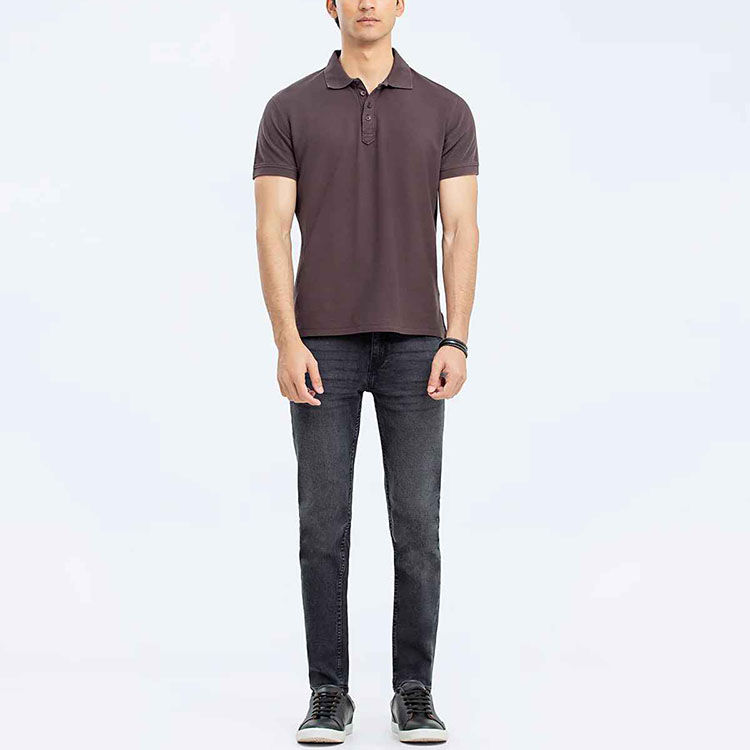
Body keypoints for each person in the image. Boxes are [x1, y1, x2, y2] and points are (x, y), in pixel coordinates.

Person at [252, 0, 479, 743]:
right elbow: (271, 229)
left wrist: (457, 339)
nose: (369, 3)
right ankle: (329, 692)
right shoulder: (288, 109)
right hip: (322, 345)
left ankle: (414, 690)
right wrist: (287, 340)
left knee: (417, 525)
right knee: (323, 525)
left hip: (418, 344)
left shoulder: (447, 109)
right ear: (332, 4)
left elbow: (461, 228)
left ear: (402, 3)